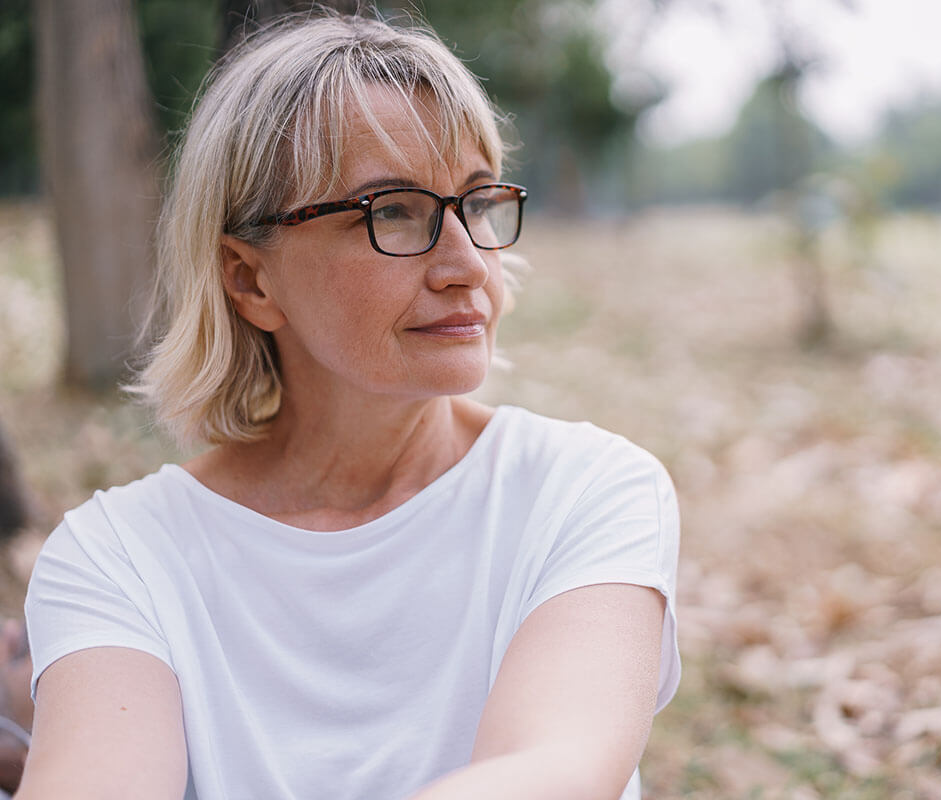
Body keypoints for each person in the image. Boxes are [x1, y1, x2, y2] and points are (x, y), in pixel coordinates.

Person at [17, 11, 679, 800]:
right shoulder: (118, 557)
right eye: (392, 210)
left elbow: (554, 773)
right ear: (250, 280)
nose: (467, 263)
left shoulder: (587, 490)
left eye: (475, 202)